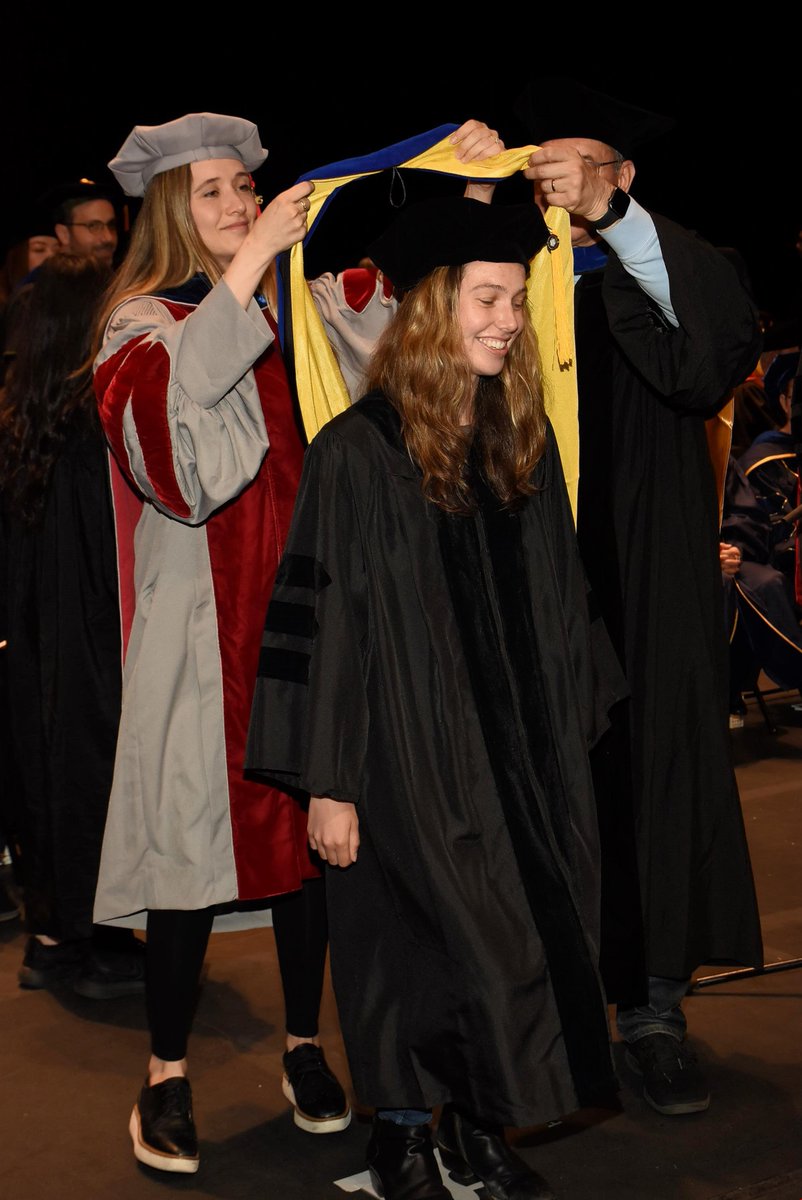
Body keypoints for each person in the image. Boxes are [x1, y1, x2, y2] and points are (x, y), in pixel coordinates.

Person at [93, 111, 504, 1177]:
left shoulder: (299, 310)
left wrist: (460, 196)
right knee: (191, 857)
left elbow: (416, 331)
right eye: (214, 192)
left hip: (312, 620)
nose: (236, 206)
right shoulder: (140, 325)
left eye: (245, 188)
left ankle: (305, 1045)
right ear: (175, 209)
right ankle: (166, 1076)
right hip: (197, 633)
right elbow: (186, 460)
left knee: (316, 853)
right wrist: (258, 272)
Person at [247, 195, 626, 1200]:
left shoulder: (515, 444)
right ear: (429, 315)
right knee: (414, 949)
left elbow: (561, 606)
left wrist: (572, 732)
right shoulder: (358, 453)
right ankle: (407, 1133)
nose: (509, 318)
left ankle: (482, 1115)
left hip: (521, 761)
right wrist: (327, 784)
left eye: (515, 301)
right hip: (401, 757)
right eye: (489, 299)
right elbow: (320, 625)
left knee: (509, 943)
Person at [517, 78, 764, 1116]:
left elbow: (706, 359)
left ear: (625, 177)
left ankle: (652, 1011)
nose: (560, 185)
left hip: (643, 577)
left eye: (583, 166)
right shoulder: (512, 283)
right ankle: (541, 1012)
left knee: (651, 776)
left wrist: (611, 226)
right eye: (546, 169)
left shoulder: (659, 271)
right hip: (531, 576)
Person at [0, 251, 145, 996]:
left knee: (47, 772)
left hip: (33, 641)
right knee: (82, 773)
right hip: (81, 635)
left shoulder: (25, 414)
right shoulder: (85, 422)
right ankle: (75, 946)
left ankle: (67, 935)